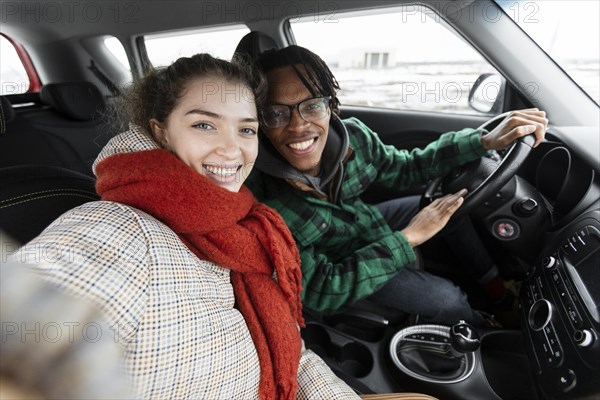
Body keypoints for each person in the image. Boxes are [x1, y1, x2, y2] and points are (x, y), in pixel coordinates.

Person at [8, 54, 439, 400]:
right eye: (204, 124)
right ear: (161, 131)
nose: (231, 149)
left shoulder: (246, 225)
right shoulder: (120, 228)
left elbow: (291, 351)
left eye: (245, 129)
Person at [246, 45, 548, 327]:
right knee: (449, 300)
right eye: (276, 113)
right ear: (260, 122)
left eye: (311, 106)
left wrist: (483, 141)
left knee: (452, 206)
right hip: (344, 270)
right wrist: (407, 239)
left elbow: (407, 168)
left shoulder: (355, 139)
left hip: (368, 226)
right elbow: (320, 290)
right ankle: (484, 332)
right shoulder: (260, 200)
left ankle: (498, 292)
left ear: (331, 107)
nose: (298, 126)